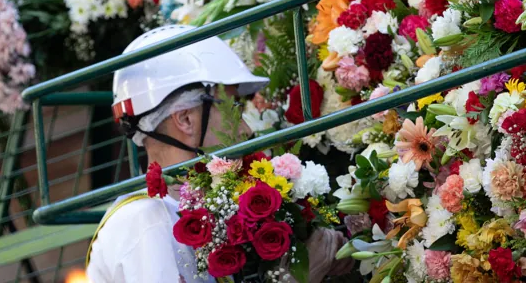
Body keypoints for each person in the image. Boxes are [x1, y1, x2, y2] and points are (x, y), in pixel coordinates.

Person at [85, 25, 351, 283]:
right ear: (186, 120)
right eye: (233, 107)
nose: (246, 129)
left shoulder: (185, 212)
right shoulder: (146, 222)